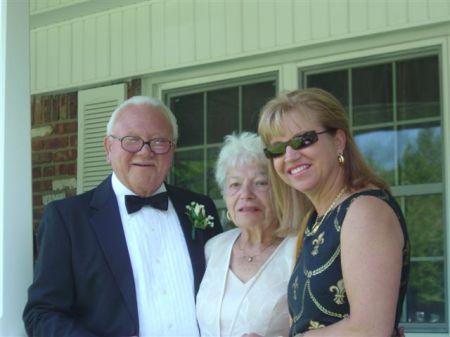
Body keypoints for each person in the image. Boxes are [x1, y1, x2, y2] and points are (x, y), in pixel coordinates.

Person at [23, 96, 222, 337]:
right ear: (108, 148)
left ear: (172, 149)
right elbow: (42, 314)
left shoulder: (200, 208)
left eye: (159, 141)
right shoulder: (68, 220)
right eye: (132, 140)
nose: (145, 152)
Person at [257, 88, 410, 337]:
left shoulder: (364, 212)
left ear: (338, 141)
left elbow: (369, 330)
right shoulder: (316, 219)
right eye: (277, 149)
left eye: (303, 140)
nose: (290, 155)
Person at [196, 132, 298, 337]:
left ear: (280, 189)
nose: (246, 194)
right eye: (235, 184)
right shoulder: (213, 248)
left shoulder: (299, 249)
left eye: (260, 182)